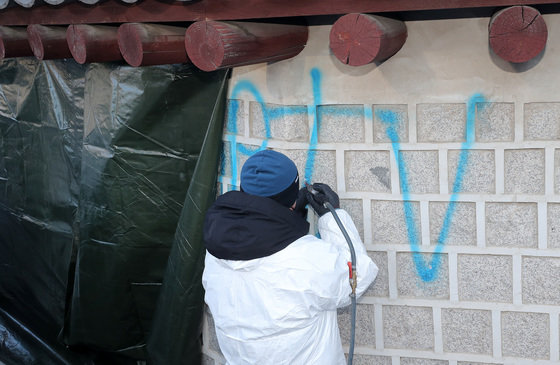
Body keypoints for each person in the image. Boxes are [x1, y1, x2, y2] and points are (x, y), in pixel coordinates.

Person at [202, 149, 378, 365]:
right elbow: (358, 277)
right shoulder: (306, 258)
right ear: (293, 200)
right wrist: (333, 217)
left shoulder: (215, 250)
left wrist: (284, 220)